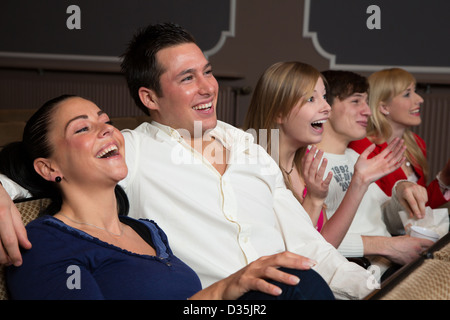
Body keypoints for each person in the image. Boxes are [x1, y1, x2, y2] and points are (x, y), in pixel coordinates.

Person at [0, 23, 374, 299]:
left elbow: (306, 242)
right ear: (150, 97)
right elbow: (35, 167)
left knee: (298, 276)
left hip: (288, 291)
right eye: (187, 78)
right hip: (228, 302)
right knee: (290, 281)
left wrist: (370, 289)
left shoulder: (247, 145)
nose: (208, 87)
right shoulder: (128, 152)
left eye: (207, 72)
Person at [1, 94, 334, 300]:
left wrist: (233, 288)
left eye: (106, 121)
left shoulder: (147, 231)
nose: (106, 129)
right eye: (82, 128)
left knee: (287, 280)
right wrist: (222, 290)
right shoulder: (44, 244)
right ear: (48, 167)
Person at [242, 61, 405, 249]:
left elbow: (326, 245)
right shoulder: (255, 168)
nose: (327, 107)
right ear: (279, 112)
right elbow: (295, 252)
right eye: (311, 99)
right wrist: (314, 199)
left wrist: (359, 182)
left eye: (325, 97)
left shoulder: (305, 163)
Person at [318, 70, 434, 277]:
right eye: (356, 101)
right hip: (364, 272)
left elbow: (387, 220)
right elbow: (313, 239)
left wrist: (402, 191)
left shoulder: (355, 157)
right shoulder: (309, 162)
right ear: (326, 107)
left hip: (389, 265)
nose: (368, 111)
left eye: (366, 102)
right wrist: (388, 246)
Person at [349, 68, 450, 211]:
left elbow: (419, 208)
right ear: (383, 107)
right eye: (407, 94)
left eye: (415, 91)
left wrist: (445, 178)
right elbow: (373, 211)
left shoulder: (416, 144)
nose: (419, 99)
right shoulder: (363, 147)